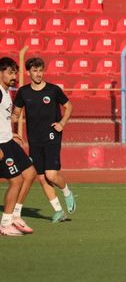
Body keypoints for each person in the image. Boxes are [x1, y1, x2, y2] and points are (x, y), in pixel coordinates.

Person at [13, 57, 75, 223]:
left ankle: (67, 192)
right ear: (29, 73)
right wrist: (11, 126)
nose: (38, 74)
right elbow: (16, 113)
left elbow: (69, 106)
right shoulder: (23, 92)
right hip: (34, 139)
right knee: (41, 178)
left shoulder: (53, 90)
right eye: (35, 71)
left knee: (51, 175)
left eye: (40, 70)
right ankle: (58, 211)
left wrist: (62, 122)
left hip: (52, 136)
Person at [0, 56, 38, 236]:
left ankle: (15, 215)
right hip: (1, 143)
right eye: (9, 72)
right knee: (15, 181)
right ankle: (5, 224)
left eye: (15, 72)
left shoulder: (6, 91)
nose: (14, 76)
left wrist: (10, 132)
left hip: (8, 140)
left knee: (30, 173)